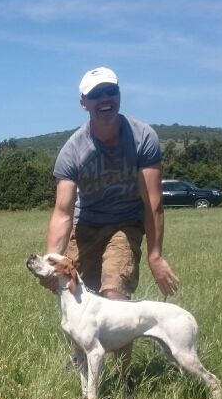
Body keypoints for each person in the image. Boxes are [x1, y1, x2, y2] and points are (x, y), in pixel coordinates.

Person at [44, 66, 180, 302]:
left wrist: (155, 256)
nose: (105, 98)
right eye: (96, 94)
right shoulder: (73, 150)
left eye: (111, 91)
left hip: (126, 224)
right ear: (83, 102)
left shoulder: (143, 138)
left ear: (119, 95)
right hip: (86, 224)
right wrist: (52, 259)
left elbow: (153, 204)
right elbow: (63, 213)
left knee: (114, 298)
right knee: (78, 298)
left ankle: (120, 338)